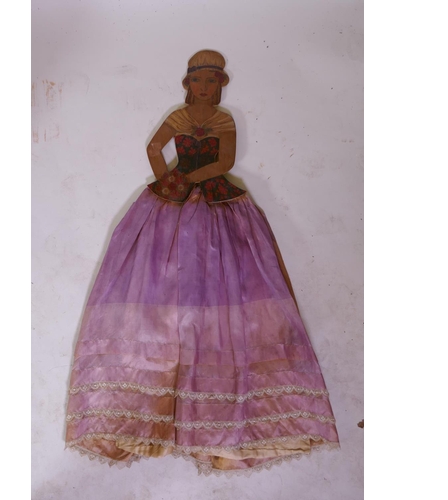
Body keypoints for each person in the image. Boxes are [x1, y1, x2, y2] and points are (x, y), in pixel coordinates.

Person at [65, 50, 339, 476]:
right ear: (188, 84)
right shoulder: (178, 116)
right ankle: (140, 414)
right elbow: (153, 147)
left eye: (212, 81)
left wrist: (187, 178)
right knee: (155, 284)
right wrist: (165, 178)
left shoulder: (223, 120)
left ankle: (226, 426)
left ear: (220, 85)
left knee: (233, 281)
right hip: (173, 194)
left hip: (215, 194)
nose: (205, 87)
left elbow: (225, 162)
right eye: (198, 80)